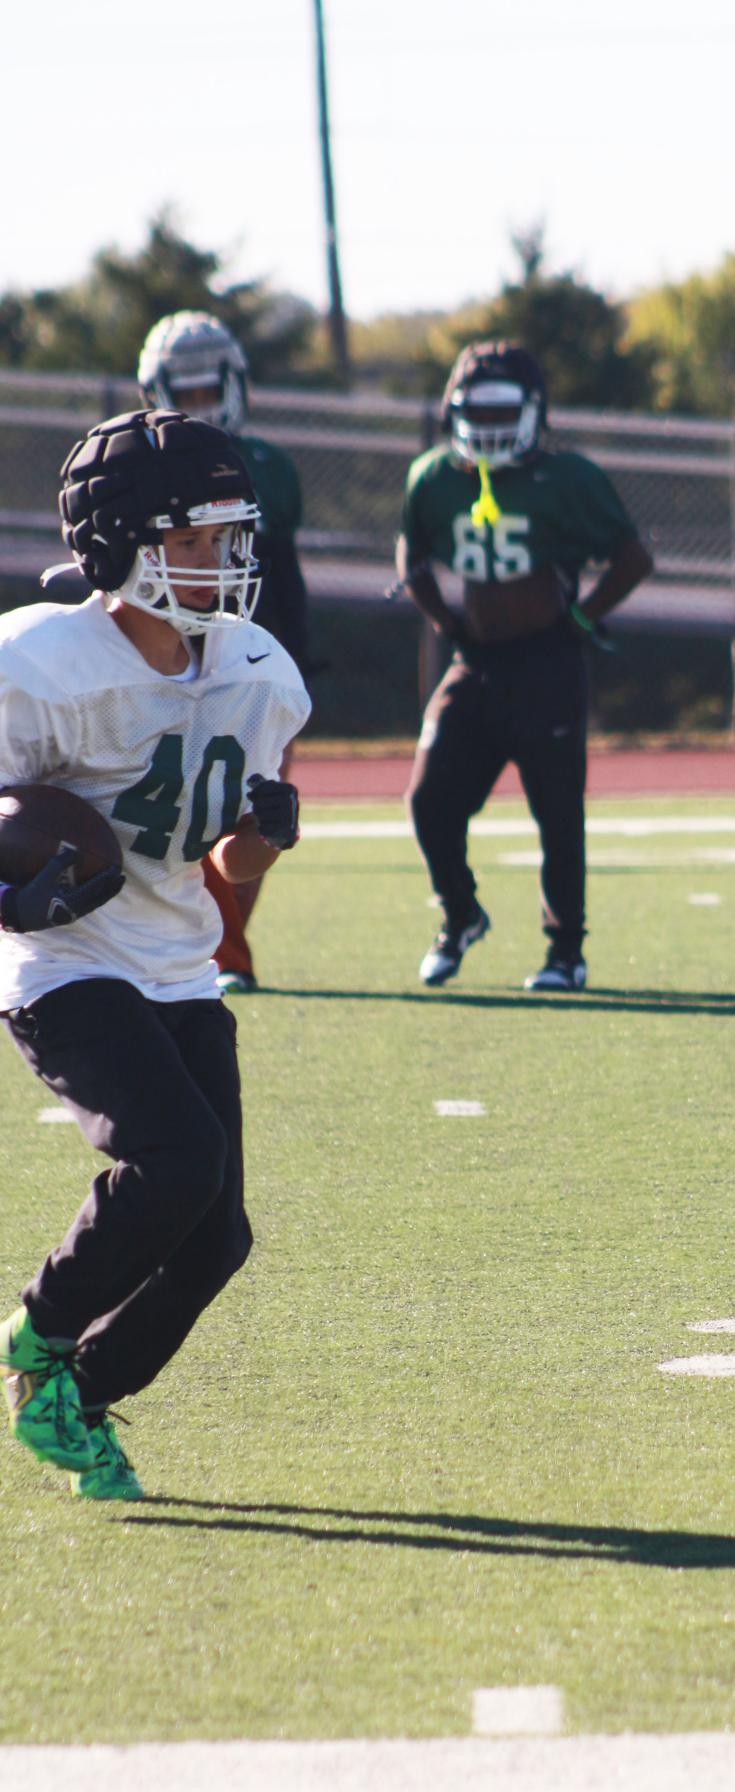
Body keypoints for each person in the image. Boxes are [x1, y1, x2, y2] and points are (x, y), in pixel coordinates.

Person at [0, 408, 309, 1499]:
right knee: (175, 1159)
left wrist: (261, 839)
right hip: (65, 961)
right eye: (196, 539)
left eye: (234, 537)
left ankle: (74, 1400)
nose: (224, 561)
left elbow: (225, 872)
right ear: (123, 543)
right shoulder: (34, 663)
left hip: (177, 956)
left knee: (215, 1235)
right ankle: (35, 1334)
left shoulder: (257, 668)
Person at [397, 340, 653, 993]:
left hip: (547, 662)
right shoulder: (434, 476)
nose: (485, 427)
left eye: (501, 411)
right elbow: (412, 550)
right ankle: (460, 914)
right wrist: (442, 618)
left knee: (557, 813)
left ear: (534, 410)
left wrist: (582, 618)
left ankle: (565, 950)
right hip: (476, 660)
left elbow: (631, 557)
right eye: (473, 412)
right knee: (429, 800)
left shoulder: (567, 478)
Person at [138, 311, 310, 995]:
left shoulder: (271, 467)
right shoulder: (135, 462)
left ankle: (225, 947)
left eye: (210, 392)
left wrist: (297, 663)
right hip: (165, 658)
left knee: (256, 814)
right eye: (187, 392)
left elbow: (286, 574)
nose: (200, 408)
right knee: (176, 810)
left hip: (250, 659)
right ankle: (213, 954)